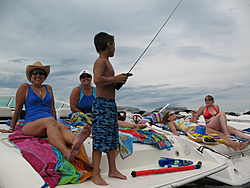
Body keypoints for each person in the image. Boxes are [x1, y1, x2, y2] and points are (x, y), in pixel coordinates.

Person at [0, 61, 91, 162]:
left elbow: (52, 109)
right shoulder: (25, 87)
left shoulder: (48, 88)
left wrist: (56, 124)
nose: (38, 75)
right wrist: (11, 128)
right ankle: (66, 152)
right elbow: (18, 109)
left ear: (44, 76)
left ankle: (75, 141)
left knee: (61, 126)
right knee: (50, 121)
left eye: (41, 73)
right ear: (31, 76)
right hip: (31, 124)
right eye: (35, 73)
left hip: (48, 123)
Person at [91, 32, 127, 185]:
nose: (114, 48)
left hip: (110, 105)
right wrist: (115, 79)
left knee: (113, 139)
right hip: (102, 105)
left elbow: (106, 82)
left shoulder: (107, 62)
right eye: (114, 44)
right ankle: (95, 174)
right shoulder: (100, 61)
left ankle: (112, 169)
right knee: (99, 140)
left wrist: (117, 82)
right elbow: (97, 80)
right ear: (108, 44)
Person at [69, 69, 146, 129]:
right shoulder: (77, 90)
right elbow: (73, 108)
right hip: (80, 115)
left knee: (108, 120)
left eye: (88, 76)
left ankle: (135, 126)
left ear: (91, 78)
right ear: (80, 79)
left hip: (94, 116)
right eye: (83, 77)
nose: (85, 78)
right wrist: (86, 117)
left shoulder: (96, 90)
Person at [162, 111, 250, 151]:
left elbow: (192, 121)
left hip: (197, 126)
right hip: (190, 129)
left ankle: (236, 144)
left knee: (218, 133)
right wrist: (175, 133)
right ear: (168, 118)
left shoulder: (181, 120)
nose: (173, 114)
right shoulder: (172, 122)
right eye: (171, 114)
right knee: (214, 137)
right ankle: (233, 145)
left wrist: (193, 116)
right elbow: (172, 127)